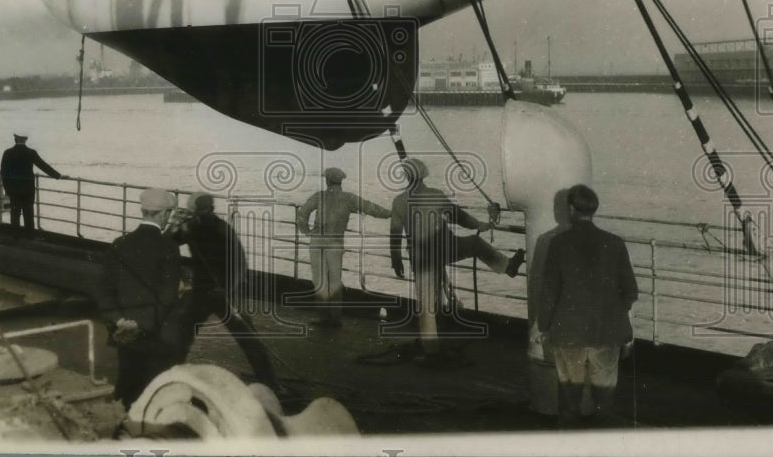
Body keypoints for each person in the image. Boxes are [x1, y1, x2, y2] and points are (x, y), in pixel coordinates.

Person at [389, 157, 523, 365]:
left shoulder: (398, 201)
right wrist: (483, 225)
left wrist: (396, 260)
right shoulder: (436, 196)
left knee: (426, 306)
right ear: (424, 175)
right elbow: (461, 218)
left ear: (406, 176)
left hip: (421, 258)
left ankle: (431, 350)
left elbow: (395, 235)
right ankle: (507, 266)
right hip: (445, 249)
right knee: (475, 244)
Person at [536, 184, 639, 428]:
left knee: (569, 405)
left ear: (571, 209)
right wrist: (613, 313)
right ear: (593, 210)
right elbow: (631, 291)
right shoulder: (615, 243)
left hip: (568, 333)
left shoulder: (558, 243)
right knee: (604, 405)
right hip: (606, 333)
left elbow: (549, 292)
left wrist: (544, 327)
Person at [172, 192, 278, 389]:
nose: (200, 216)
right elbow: (170, 241)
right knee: (184, 333)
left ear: (211, 210)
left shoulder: (223, 231)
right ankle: (172, 373)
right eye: (197, 213)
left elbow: (240, 264)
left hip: (225, 293)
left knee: (247, 337)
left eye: (202, 212)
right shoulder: (191, 228)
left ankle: (271, 383)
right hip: (201, 293)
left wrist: (228, 289)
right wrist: (176, 225)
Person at [100, 188, 184, 410]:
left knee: (128, 383)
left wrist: (119, 321)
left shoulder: (119, 243)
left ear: (143, 211)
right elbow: (168, 297)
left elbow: (104, 290)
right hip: (158, 337)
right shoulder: (169, 247)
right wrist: (142, 325)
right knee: (155, 393)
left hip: (125, 334)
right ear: (164, 214)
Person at [297, 167, 390, 327]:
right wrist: (391, 213)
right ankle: (335, 318)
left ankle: (323, 318)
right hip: (335, 243)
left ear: (327, 181)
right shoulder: (349, 198)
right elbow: (371, 208)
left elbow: (302, 213)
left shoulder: (319, 196)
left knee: (319, 281)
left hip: (317, 241)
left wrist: (306, 231)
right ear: (341, 182)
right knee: (335, 281)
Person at [0, 134, 66, 235]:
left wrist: (6, 188)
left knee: (15, 213)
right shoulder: (31, 152)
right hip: (28, 188)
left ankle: (15, 236)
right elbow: (43, 166)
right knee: (28, 213)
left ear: (15, 139)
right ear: (26, 140)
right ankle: (29, 236)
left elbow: (4, 172)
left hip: (13, 189)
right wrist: (58, 176)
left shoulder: (7, 153)